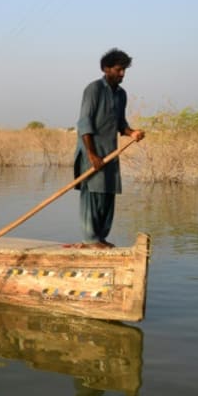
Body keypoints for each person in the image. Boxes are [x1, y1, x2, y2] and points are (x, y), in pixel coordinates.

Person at [74, 48, 145, 248]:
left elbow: (121, 124)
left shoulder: (121, 94)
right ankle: (90, 239)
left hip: (110, 152)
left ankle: (101, 237)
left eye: (124, 70)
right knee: (93, 194)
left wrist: (132, 133)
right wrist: (92, 155)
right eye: (118, 69)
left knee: (107, 194)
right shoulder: (94, 89)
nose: (122, 74)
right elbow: (84, 123)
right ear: (106, 69)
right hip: (92, 151)